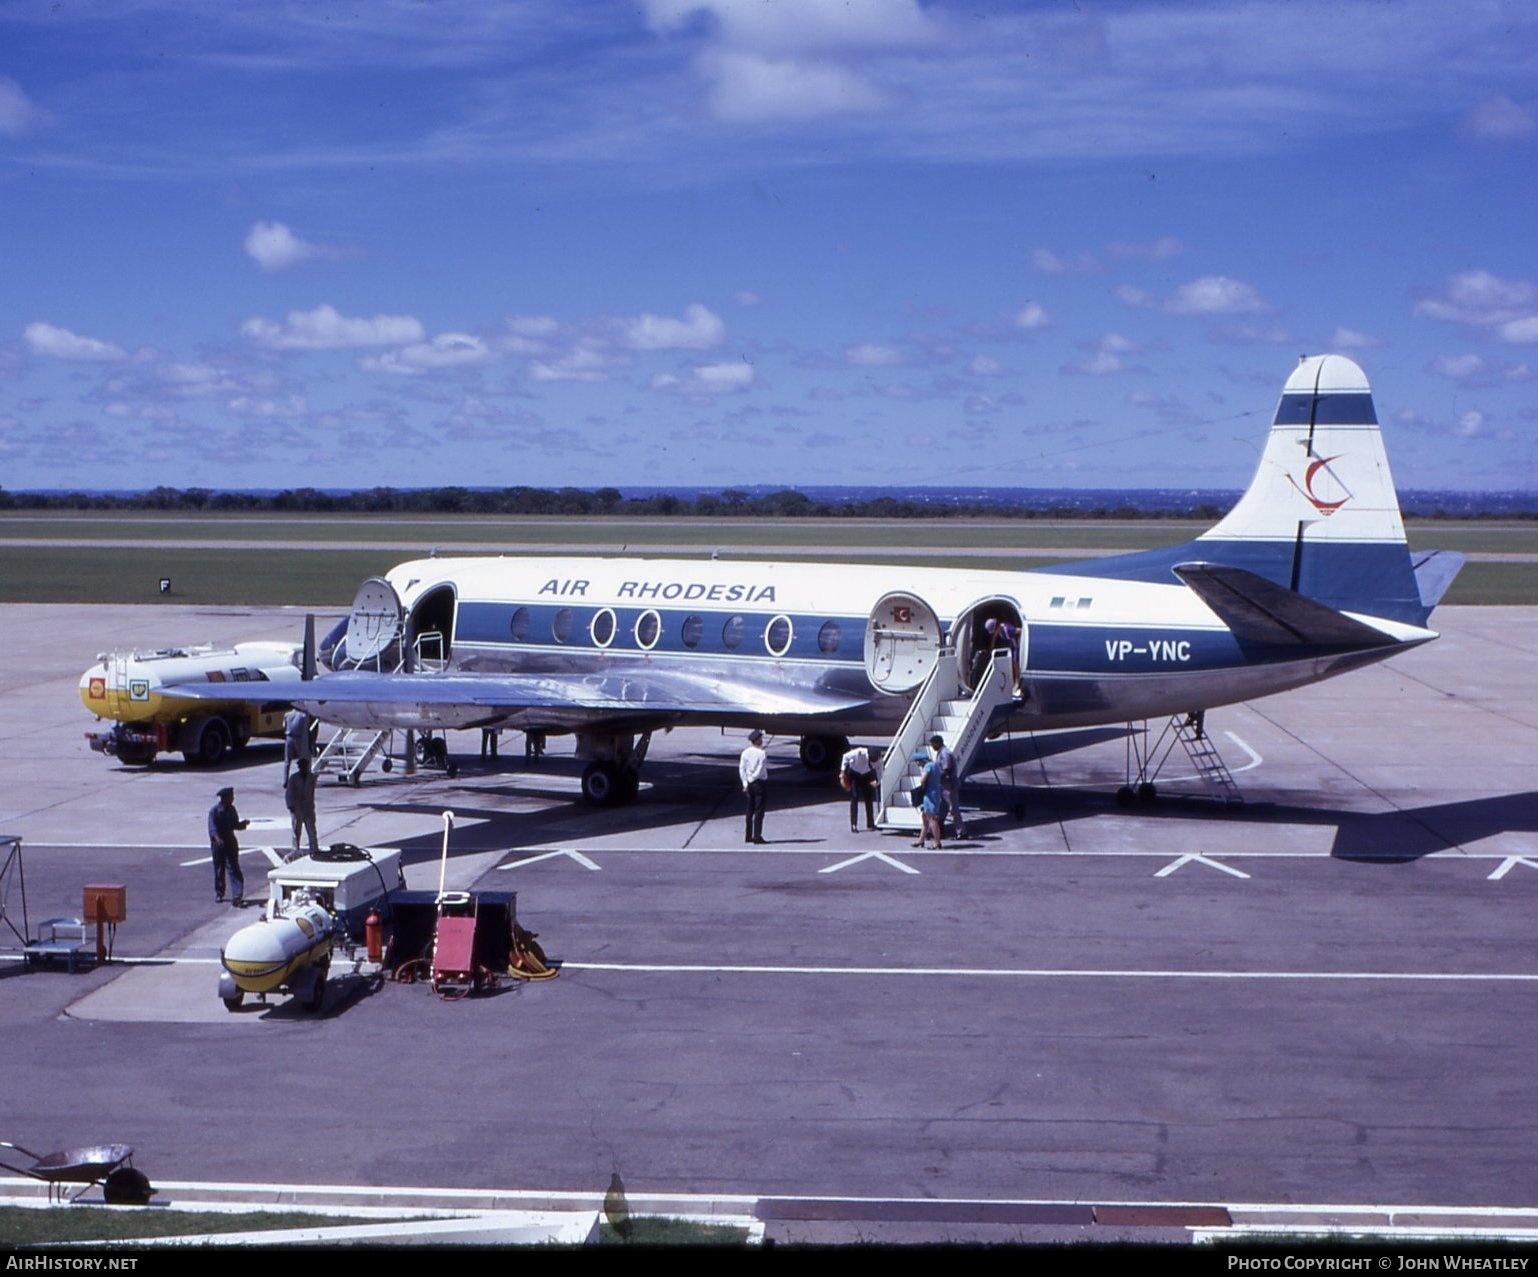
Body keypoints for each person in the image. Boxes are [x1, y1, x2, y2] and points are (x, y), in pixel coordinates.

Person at [207, 786, 249, 905]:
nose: (233, 799)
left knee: (234, 868)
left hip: (230, 841)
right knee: (219, 869)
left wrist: (243, 824)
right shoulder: (214, 811)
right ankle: (219, 893)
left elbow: (235, 825)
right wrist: (217, 838)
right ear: (224, 798)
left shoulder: (231, 810)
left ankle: (237, 895)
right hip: (218, 844)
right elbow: (212, 828)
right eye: (231, 797)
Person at [930, 733, 966, 840]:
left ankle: (961, 832)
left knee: (953, 809)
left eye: (933, 744)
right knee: (942, 809)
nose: (932, 747)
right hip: (943, 785)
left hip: (948, 785)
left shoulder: (945, 754)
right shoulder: (941, 752)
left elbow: (946, 769)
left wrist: (935, 778)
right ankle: (940, 831)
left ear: (938, 743)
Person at [285, 757, 320, 860]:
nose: (304, 768)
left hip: (308, 807)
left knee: (312, 830)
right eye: (302, 766)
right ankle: (295, 849)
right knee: (296, 830)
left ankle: (314, 848)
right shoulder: (294, 778)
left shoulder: (311, 778)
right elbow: (289, 793)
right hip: (297, 808)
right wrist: (290, 805)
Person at [840, 743, 878, 833]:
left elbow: (880, 770)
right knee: (854, 797)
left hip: (867, 775)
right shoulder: (859, 753)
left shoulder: (878, 760)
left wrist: (877, 781)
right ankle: (854, 824)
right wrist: (842, 772)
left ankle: (870, 823)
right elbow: (845, 757)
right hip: (855, 774)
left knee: (869, 798)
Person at [739, 729, 768, 845]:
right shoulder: (762, 753)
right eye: (760, 738)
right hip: (759, 783)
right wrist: (752, 780)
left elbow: (742, 769)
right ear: (757, 740)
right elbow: (760, 770)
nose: (762, 740)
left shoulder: (745, 752)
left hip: (749, 784)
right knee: (759, 811)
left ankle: (748, 835)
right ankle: (757, 836)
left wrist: (745, 783)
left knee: (749, 810)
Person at [914, 750, 944, 851]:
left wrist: (922, 784)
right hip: (935, 793)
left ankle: (937, 842)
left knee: (932, 820)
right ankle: (921, 840)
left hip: (929, 795)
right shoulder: (934, 765)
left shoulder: (927, 766)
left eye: (917, 762)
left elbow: (923, 779)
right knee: (925, 818)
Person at [283, 707, 315, 782]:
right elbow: (307, 730)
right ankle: (302, 778)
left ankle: (285, 780)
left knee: (287, 760)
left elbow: (284, 726)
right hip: (299, 738)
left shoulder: (287, 715)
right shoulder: (303, 716)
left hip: (289, 737)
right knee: (302, 758)